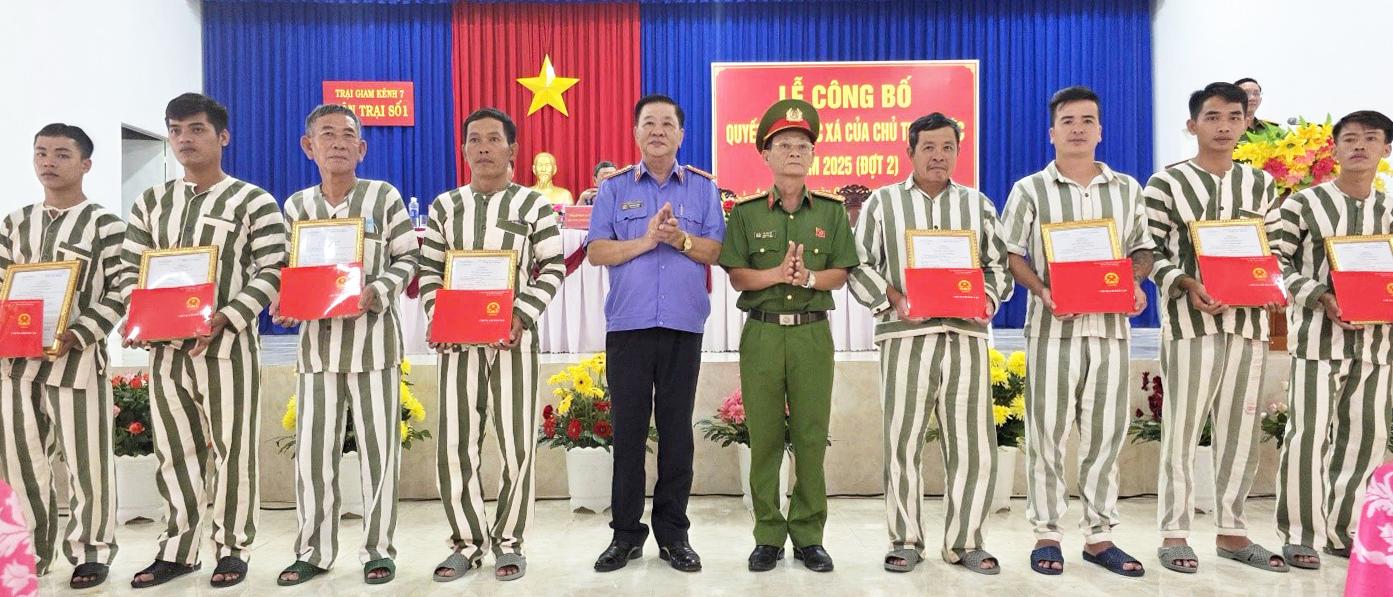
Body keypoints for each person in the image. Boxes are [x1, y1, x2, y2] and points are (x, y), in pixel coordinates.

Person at [123, 93, 288, 589]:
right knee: (175, 452)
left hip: (227, 349)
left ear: (223, 136)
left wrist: (228, 317)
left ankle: (233, 548)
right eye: (175, 130)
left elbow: (274, 269)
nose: (184, 139)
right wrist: (139, 318)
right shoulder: (151, 202)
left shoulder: (253, 200)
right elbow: (131, 269)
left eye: (196, 129)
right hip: (165, 351)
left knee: (234, 451)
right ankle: (178, 550)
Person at [848, 112, 1013, 575]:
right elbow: (858, 264)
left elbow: (999, 267)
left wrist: (986, 299)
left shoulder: (977, 205)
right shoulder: (882, 204)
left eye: (947, 147)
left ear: (958, 151)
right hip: (906, 337)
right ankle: (905, 540)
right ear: (910, 151)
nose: (938, 156)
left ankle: (967, 542)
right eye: (929, 147)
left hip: (965, 337)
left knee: (973, 444)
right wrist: (895, 298)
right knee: (902, 441)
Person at [1000, 86, 1151, 576]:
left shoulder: (1127, 189)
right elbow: (1011, 253)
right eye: (1068, 121)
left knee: (1105, 436)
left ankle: (1099, 536)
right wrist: (1043, 291)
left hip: (1110, 332)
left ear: (1100, 130)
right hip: (1052, 331)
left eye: (1088, 120)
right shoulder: (1030, 190)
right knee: (1046, 435)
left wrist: (1134, 281)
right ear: (1052, 132)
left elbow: (1143, 247)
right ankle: (1046, 533)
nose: (1078, 129)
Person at [272, 104, 420, 586]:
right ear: (308, 145)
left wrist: (377, 290)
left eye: (347, 135)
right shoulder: (297, 207)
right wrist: (283, 300)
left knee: (381, 454)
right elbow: (286, 269)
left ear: (362, 147)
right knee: (313, 456)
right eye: (327, 134)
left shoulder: (384, 197)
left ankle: (378, 550)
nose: (338, 142)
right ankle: (313, 551)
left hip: (374, 349)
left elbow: (409, 258)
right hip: (317, 353)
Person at [1144, 82, 1286, 574]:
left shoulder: (1261, 185)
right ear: (1192, 125)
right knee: (1183, 429)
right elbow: (1148, 252)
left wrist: (1271, 284)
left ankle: (1232, 531)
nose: (1224, 126)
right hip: (1190, 325)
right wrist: (1185, 283)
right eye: (1212, 117)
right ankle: (1174, 532)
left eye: (1233, 117)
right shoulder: (1167, 183)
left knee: (1241, 429)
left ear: (1247, 122)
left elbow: (1275, 250)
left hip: (1249, 325)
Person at [420, 107, 565, 583]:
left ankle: (509, 542)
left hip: (513, 341)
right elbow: (429, 271)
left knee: (517, 446)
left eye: (493, 139)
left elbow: (553, 266)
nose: (483, 148)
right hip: (457, 345)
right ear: (463, 149)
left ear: (512, 149)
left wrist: (521, 314)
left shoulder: (533, 205)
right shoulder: (445, 207)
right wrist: (438, 317)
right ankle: (465, 542)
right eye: (475, 140)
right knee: (455, 445)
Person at [719, 99, 859, 573]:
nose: (795, 152)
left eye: (802, 145)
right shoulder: (746, 213)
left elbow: (841, 271)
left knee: (811, 438)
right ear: (766, 154)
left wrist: (808, 278)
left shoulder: (833, 212)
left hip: (811, 335)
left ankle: (809, 535)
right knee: (764, 438)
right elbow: (737, 275)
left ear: (813, 155)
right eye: (784, 145)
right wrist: (778, 274)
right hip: (762, 334)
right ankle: (767, 535)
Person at [586, 94, 724, 573]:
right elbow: (597, 252)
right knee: (627, 434)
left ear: (681, 134)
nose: (658, 130)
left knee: (676, 434)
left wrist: (680, 239)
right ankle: (625, 536)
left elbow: (716, 251)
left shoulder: (703, 189)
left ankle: (673, 535)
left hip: (683, 326)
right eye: (649, 123)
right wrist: (647, 240)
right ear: (636, 133)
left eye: (668, 123)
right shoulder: (614, 188)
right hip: (629, 326)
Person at [0, 123, 129, 590]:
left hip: (78, 363)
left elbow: (124, 288)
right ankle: (28, 554)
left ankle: (92, 552)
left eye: (60, 154)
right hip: (16, 365)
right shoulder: (15, 223)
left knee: (87, 465)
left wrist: (80, 331)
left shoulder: (107, 225)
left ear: (85, 164)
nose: (48, 162)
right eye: (41, 153)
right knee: (20, 464)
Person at [1267, 109, 1393, 571]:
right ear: (1335, 148)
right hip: (1317, 343)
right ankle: (1300, 534)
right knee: (1308, 436)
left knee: (1365, 439)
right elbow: (1273, 262)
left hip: (1378, 346)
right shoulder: (1304, 204)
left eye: (1371, 138)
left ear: (1386, 149)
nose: (1360, 146)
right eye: (1350, 138)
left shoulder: (1389, 210)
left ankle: (1346, 530)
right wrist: (1321, 296)